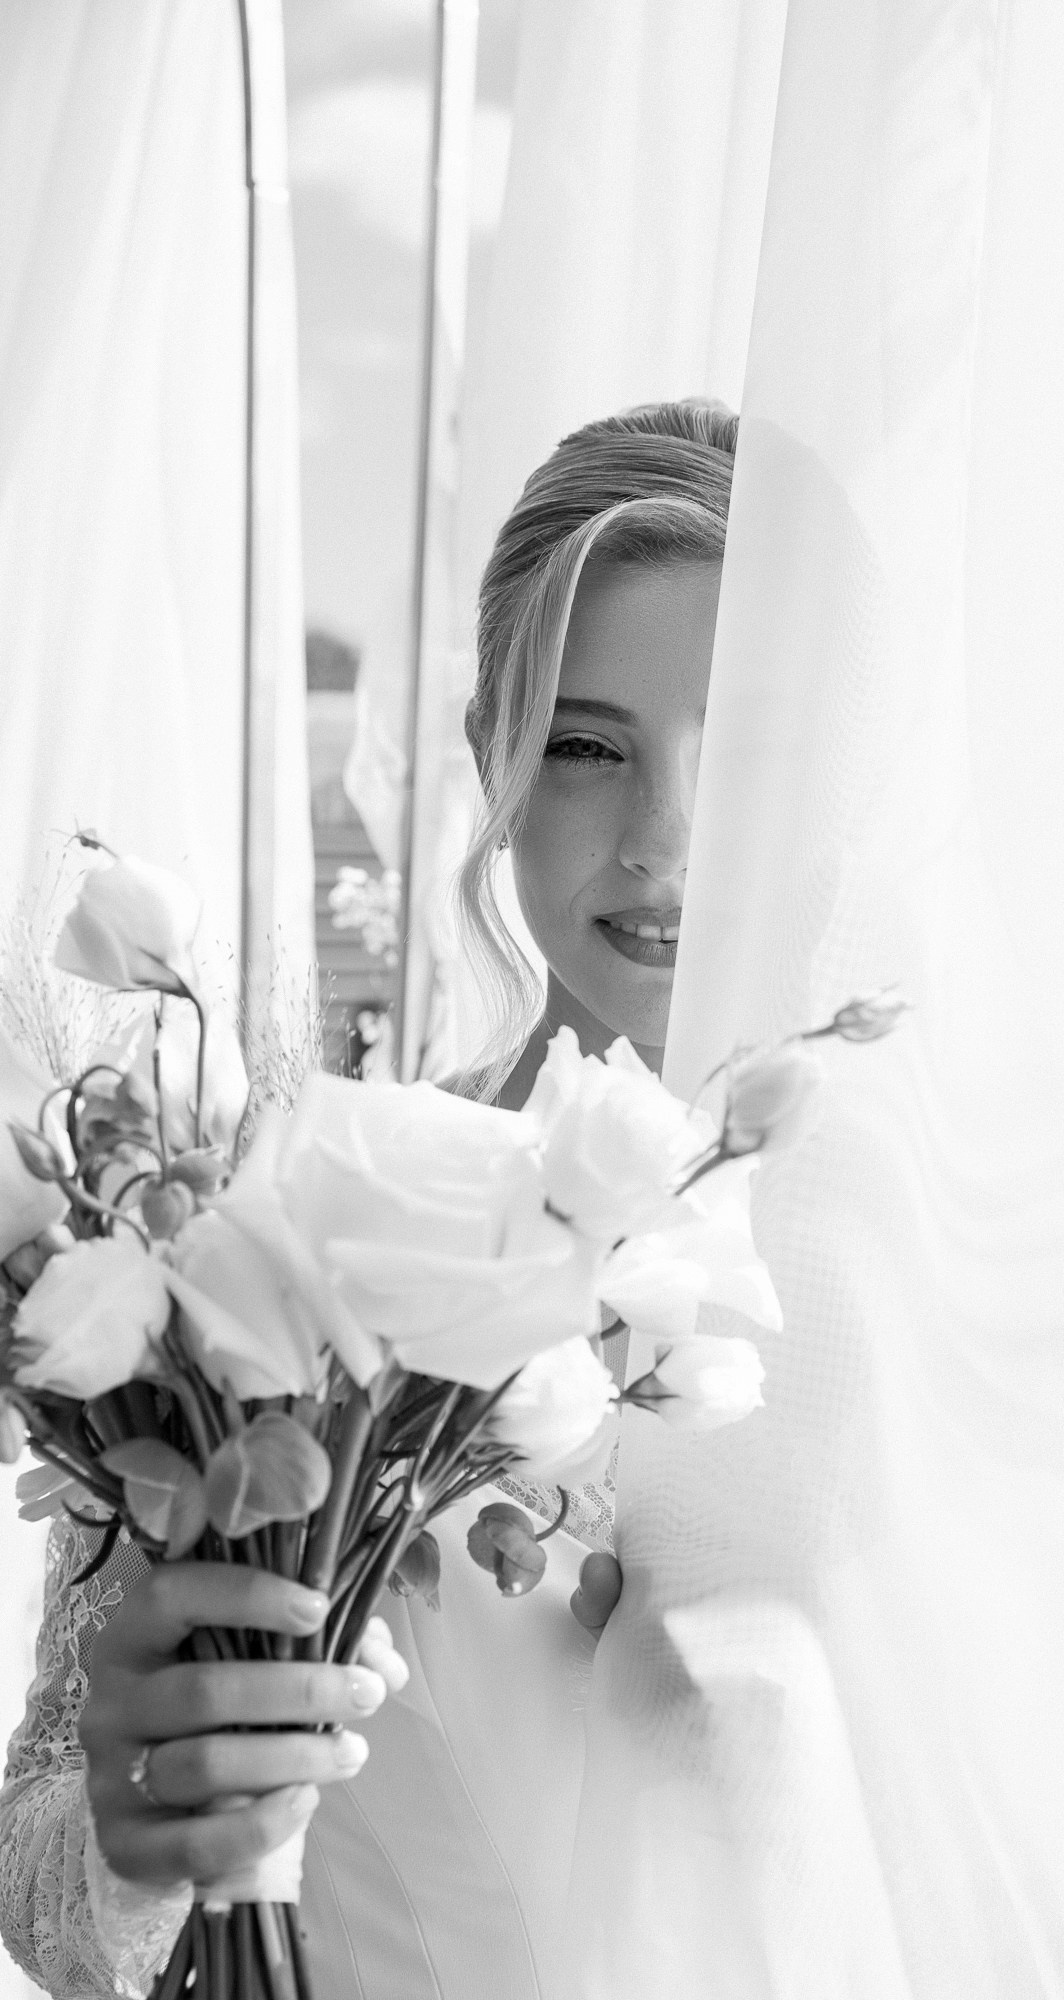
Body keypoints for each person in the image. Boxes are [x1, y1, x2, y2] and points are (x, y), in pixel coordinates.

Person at [0, 398, 736, 2000]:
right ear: (491, 758)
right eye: (587, 746)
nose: (662, 842)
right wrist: (145, 1833)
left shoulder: (954, 1288)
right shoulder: (291, 1211)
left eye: (734, 742)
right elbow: (45, 1883)